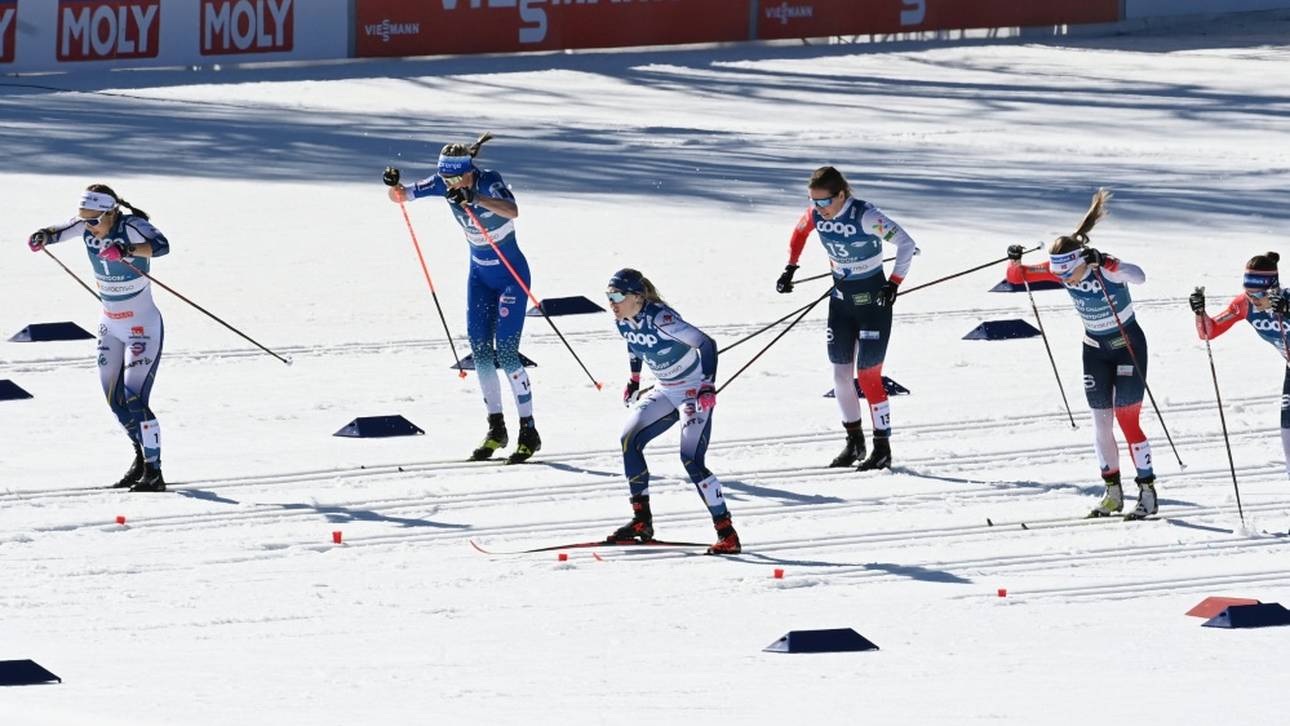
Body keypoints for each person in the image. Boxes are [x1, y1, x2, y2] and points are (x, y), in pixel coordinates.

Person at [384, 134, 541, 464]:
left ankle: (529, 430)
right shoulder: (444, 183)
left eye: (455, 178)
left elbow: (513, 211)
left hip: (511, 276)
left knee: (508, 354)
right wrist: (394, 187)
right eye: (445, 178)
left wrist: (475, 198)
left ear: (470, 172)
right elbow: (402, 196)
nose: (449, 184)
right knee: (481, 353)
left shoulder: (489, 181)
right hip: (480, 276)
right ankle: (496, 429)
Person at [1005, 189, 1157, 519]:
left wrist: (1109, 262)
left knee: (1126, 419)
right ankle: (1113, 493)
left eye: (1066, 274)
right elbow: (1017, 278)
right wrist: (1015, 261)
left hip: (1127, 344)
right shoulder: (1062, 267)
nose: (1062, 279)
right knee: (1100, 422)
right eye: (1058, 273)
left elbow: (1140, 277)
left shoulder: (1104, 269)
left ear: (1079, 261)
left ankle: (1147, 492)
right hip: (1094, 349)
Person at [27, 185, 170, 492]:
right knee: (115, 400)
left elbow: (161, 245)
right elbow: (58, 231)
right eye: (85, 220)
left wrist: (127, 251)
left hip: (142, 327)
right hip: (110, 325)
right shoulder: (86, 222)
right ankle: (141, 460)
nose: (88, 225)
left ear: (111, 212)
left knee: (135, 397)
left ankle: (155, 472)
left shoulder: (131, 225)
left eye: (94, 221)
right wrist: (43, 236)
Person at [775, 166, 917, 471]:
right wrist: (790, 268)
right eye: (814, 201)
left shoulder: (866, 215)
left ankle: (882, 448)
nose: (819, 209)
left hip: (873, 302)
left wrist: (893, 284)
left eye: (825, 202)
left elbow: (906, 244)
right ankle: (854, 443)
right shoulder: (815, 214)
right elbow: (800, 232)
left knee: (867, 376)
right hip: (840, 301)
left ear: (841, 195)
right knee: (840, 375)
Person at [607, 269, 740, 555]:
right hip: (665, 389)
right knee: (629, 440)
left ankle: (727, 533)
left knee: (691, 459)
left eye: (617, 296)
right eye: (609, 296)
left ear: (636, 297)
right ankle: (642, 522)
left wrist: (707, 385)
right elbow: (634, 346)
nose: (612, 302)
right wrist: (633, 380)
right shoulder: (622, 320)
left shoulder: (661, 318)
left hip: (692, 390)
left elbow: (706, 343)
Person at [1190, 252, 1290, 476]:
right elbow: (1209, 331)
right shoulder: (1244, 305)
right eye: (1249, 293)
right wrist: (1200, 313)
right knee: (1287, 432)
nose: (1253, 299)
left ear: (1273, 288)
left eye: (1259, 294)